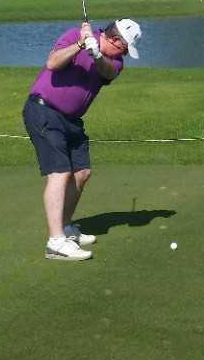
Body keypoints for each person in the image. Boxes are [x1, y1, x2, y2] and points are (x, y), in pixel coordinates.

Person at [22, 17, 142, 261]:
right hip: (44, 111)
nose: (125, 55)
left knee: (82, 171)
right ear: (116, 40)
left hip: (72, 120)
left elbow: (109, 72)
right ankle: (55, 243)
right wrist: (80, 44)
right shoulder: (72, 35)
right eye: (125, 49)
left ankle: (65, 229)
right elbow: (52, 63)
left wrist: (97, 54)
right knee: (60, 172)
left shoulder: (114, 62)